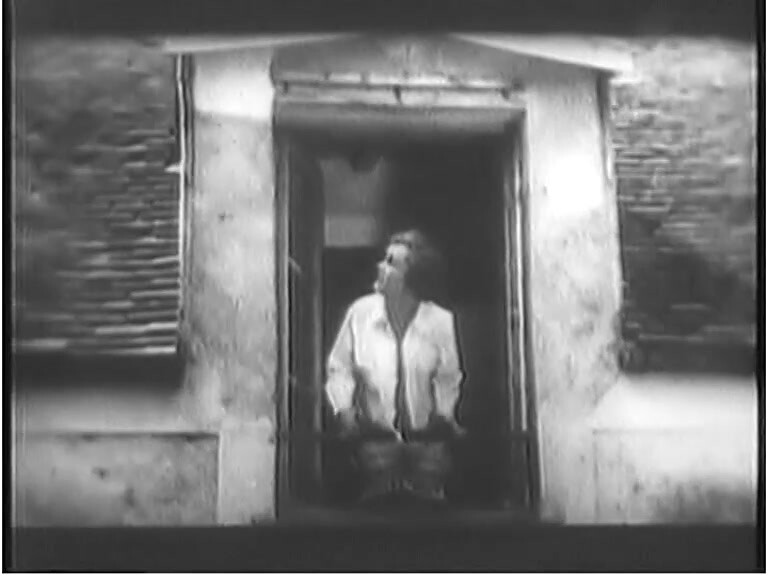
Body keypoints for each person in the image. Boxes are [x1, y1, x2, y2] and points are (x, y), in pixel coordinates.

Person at [324, 229, 465, 505]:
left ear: (413, 278)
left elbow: (448, 377)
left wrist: (443, 417)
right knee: (378, 504)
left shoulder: (440, 321)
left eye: (390, 263)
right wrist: (345, 413)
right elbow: (339, 368)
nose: (380, 267)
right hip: (375, 442)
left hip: (426, 444)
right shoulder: (360, 313)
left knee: (428, 505)